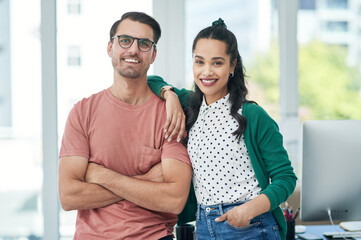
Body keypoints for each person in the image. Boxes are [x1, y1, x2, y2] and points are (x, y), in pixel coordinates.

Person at [148, 18, 297, 240]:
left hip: (250, 226)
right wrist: (169, 94)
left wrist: (249, 210)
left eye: (217, 63)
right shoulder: (191, 106)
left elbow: (285, 178)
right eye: (199, 62)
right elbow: (150, 80)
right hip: (204, 226)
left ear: (232, 65)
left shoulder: (253, 116)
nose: (206, 72)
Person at [58, 12, 192, 240]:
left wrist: (100, 175)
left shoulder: (169, 116)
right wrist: (148, 180)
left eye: (144, 44)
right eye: (125, 40)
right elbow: (69, 196)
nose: (133, 50)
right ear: (110, 48)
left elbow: (174, 199)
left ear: (153, 54)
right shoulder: (82, 112)